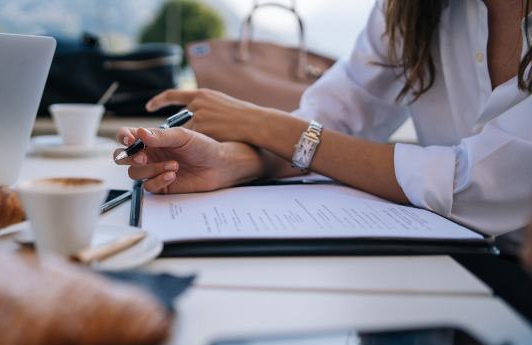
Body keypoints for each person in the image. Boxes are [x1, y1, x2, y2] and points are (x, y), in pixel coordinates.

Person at [115, 0, 532, 236]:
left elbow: (476, 183)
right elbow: (342, 112)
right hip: (443, 262)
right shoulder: (409, 9)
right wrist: (231, 162)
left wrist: (262, 124)